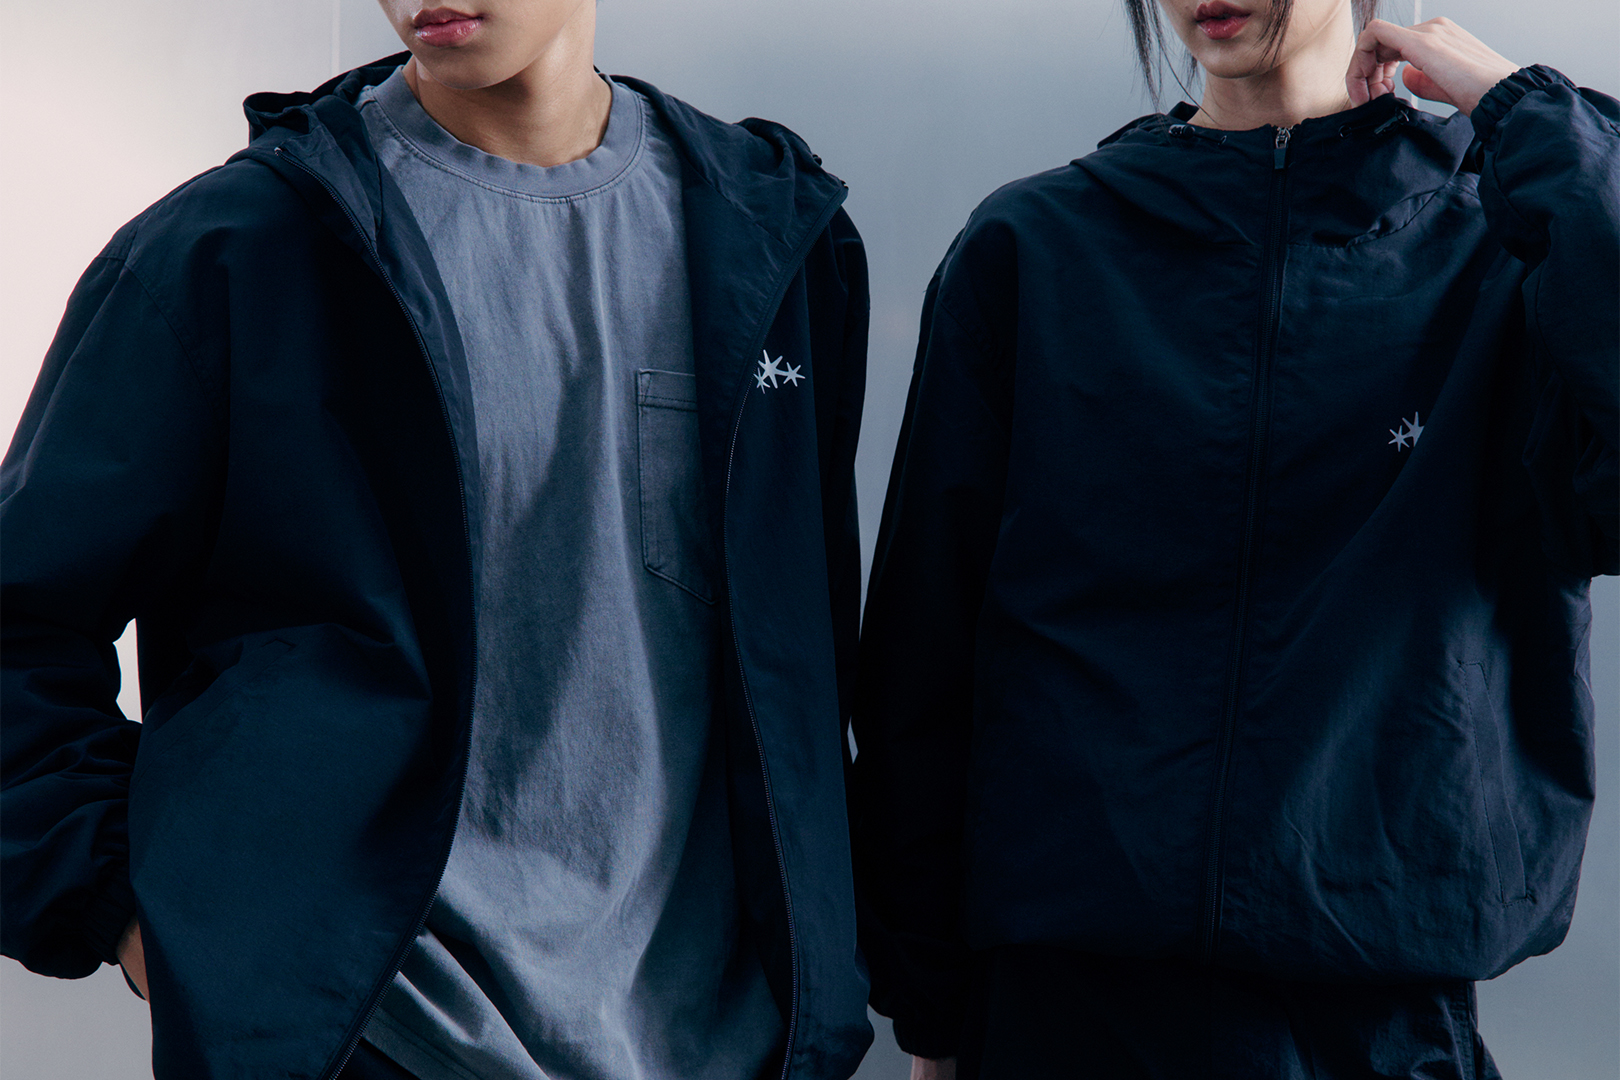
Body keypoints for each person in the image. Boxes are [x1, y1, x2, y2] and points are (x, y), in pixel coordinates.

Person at [0, 1, 873, 1077]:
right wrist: (129, 914)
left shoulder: (771, 234)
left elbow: (810, 661)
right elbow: (21, 621)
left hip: (727, 1043)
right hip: (374, 1040)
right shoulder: (234, 251)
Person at [850, 0, 1617, 1077]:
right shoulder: (1035, 248)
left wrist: (1529, 115)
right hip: (1060, 1020)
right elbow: (922, 662)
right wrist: (930, 1009)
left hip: (1378, 1030)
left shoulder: (1496, 252)